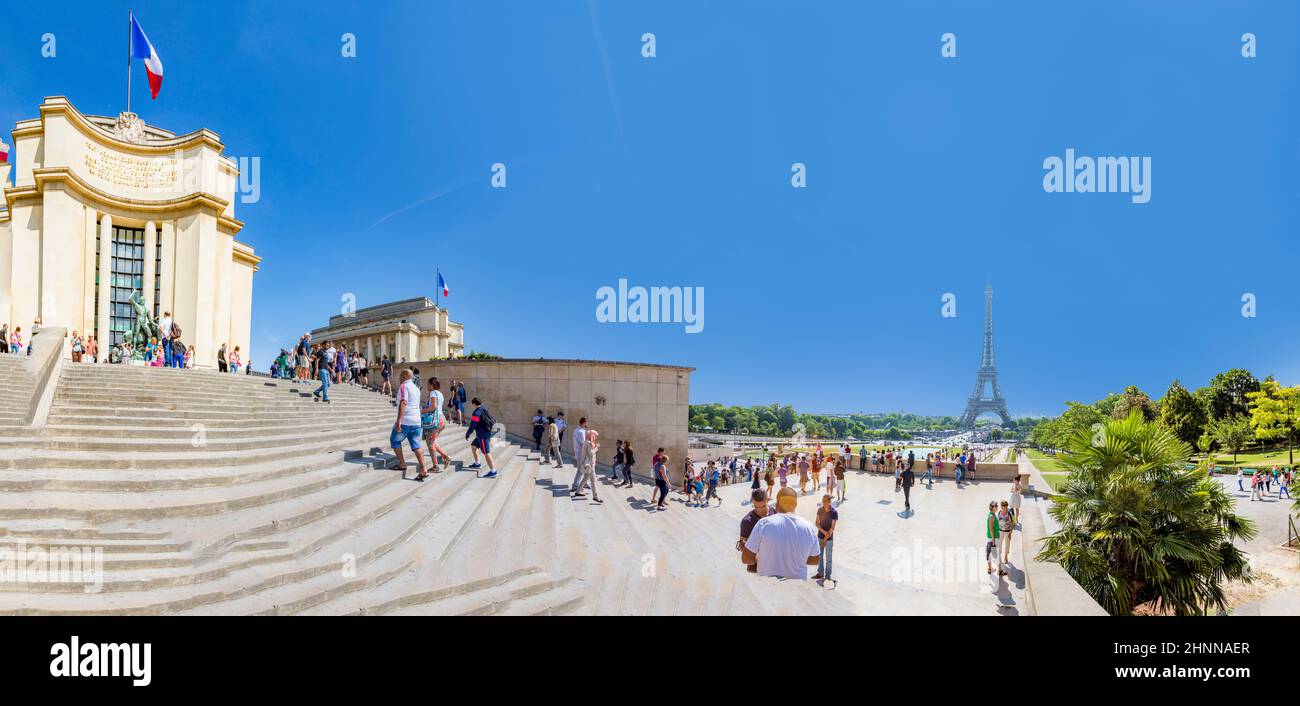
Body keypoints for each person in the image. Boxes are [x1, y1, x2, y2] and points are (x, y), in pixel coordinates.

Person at [742, 487, 821, 580]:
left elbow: (746, 558)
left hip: (768, 584)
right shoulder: (809, 528)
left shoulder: (763, 524)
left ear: (777, 504)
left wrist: (762, 558)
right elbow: (816, 559)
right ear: (795, 505)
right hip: (798, 585)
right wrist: (795, 558)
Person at [388, 369, 430, 481]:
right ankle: (423, 469)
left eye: (401, 375)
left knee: (394, 440)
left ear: (406, 376)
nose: (399, 378)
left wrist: (399, 421)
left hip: (406, 420)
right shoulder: (416, 388)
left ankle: (402, 464)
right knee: (416, 445)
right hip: (416, 420)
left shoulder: (404, 386)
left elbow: (403, 403)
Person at [738, 489, 773, 573]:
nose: (761, 510)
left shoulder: (774, 513)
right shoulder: (747, 521)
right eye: (757, 507)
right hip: (758, 567)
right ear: (753, 503)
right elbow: (742, 546)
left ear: (768, 500)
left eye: (764, 506)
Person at [421, 378, 451, 472]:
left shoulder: (433, 393)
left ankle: (435, 466)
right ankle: (445, 457)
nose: (426, 385)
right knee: (432, 441)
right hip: (441, 419)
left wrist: (421, 411)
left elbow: (433, 407)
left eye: (427, 383)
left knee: (430, 443)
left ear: (431, 385)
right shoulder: (439, 393)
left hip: (436, 421)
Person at [464, 397, 498, 478]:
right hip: (483, 434)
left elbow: (473, 424)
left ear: (474, 404)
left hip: (483, 435)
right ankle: (477, 463)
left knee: (486, 452)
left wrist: (468, 433)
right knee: (473, 445)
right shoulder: (484, 410)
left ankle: (493, 471)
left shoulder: (477, 412)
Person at [572, 429, 602, 503]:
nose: (595, 437)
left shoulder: (587, 442)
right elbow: (591, 453)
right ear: (591, 435)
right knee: (593, 481)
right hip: (589, 465)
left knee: (585, 478)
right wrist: (596, 448)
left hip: (588, 464)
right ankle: (595, 496)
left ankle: (578, 490)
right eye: (594, 435)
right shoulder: (588, 443)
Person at [813, 494, 838, 583]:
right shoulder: (820, 510)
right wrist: (824, 532)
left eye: (825, 501)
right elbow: (816, 523)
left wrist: (826, 538)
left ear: (829, 502)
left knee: (829, 559)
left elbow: (832, 527)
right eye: (822, 501)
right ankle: (820, 573)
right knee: (819, 557)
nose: (823, 503)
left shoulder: (834, 512)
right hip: (820, 536)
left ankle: (827, 576)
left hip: (829, 539)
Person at [986, 501, 1001, 577]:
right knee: (996, 553)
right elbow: (991, 528)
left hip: (992, 537)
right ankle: (999, 570)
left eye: (997, 505)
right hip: (993, 537)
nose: (997, 507)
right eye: (995, 506)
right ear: (992, 507)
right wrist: (993, 539)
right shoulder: (991, 516)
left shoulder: (992, 514)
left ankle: (989, 568)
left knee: (989, 552)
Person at [997, 500, 1014, 567]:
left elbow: (1012, 523)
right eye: (1002, 507)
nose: (1004, 508)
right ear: (1001, 507)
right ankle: (1000, 555)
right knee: (999, 543)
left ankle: (1006, 556)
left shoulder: (1009, 513)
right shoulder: (999, 512)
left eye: (1005, 507)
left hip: (1007, 532)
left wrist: (1010, 533)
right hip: (1000, 531)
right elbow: (998, 521)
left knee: (1007, 544)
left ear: (1007, 507)